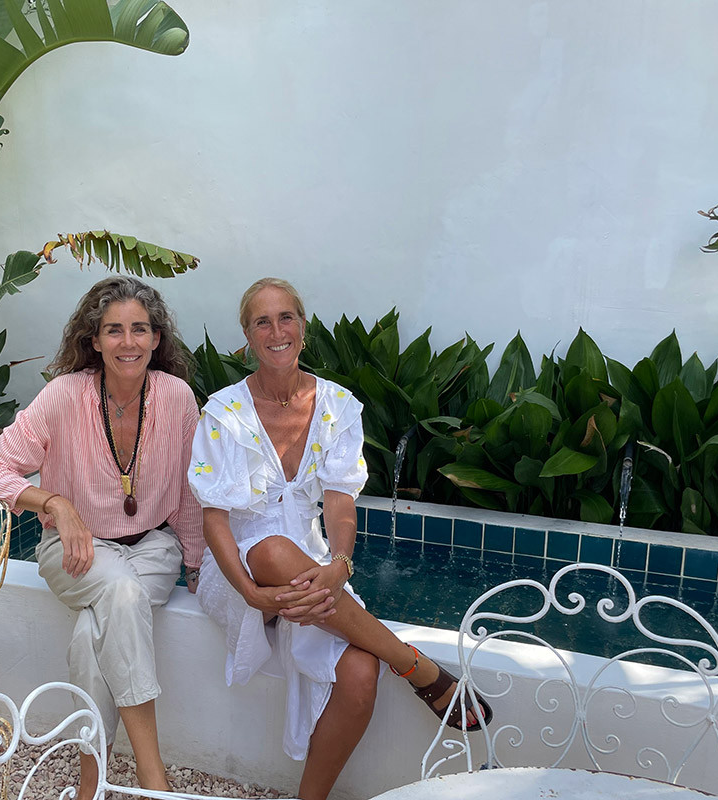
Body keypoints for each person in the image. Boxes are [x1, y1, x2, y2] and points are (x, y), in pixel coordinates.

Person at [188, 278, 491, 800]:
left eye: (287, 318)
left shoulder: (337, 406)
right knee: (270, 549)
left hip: (315, 574)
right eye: (263, 321)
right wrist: (251, 593)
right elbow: (215, 518)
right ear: (246, 336)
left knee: (358, 672)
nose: (276, 330)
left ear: (303, 329)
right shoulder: (223, 412)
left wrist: (341, 564)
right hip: (237, 572)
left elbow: (339, 501)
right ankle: (416, 666)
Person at [0, 275, 204, 797]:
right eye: (114, 330)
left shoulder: (177, 399)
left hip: (154, 547)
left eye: (140, 330)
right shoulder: (62, 396)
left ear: (157, 339)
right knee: (119, 591)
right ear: (93, 340)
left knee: (90, 633)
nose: (129, 342)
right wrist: (54, 502)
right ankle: (153, 777)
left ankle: (89, 782)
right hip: (73, 551)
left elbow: (190, 490)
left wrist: (196, 558)